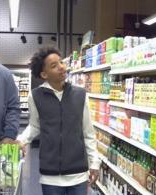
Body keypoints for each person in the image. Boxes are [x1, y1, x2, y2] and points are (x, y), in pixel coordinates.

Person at [17, 47, 100, 195]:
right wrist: (21, 140)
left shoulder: (80, 95)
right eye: (54, 66)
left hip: (78, 174)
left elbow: (88, 132)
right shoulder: (35, 96)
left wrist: (94, 162)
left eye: (61, 62)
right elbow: (35, 126)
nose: (62, 67)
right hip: (50, 175)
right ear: (44, 74)